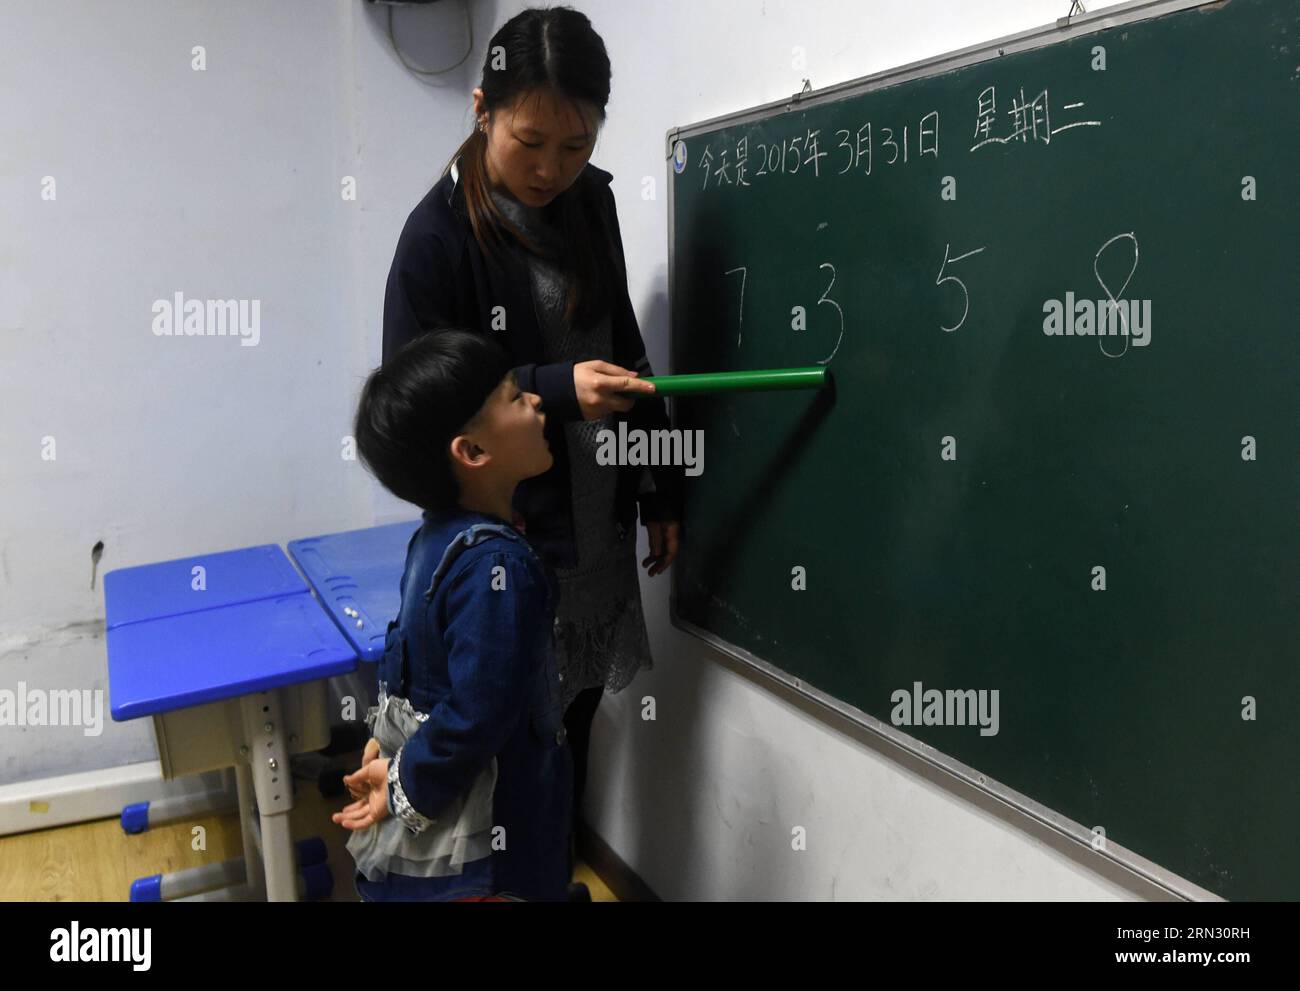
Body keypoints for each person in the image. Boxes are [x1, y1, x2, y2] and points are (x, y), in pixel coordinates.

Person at [381, 6, 685, 887]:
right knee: (501, 745)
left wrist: (662, 485)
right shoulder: (434, 238)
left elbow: (623, 346)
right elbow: (419, 408)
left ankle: (547, 874)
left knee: (566, 735)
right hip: (508, 541)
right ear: (481, 110)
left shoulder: (590, 203)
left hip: (593, 518)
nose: (553, 168)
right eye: (530, 140)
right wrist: (554, 389)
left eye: (576, 145)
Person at [336, 328, 571, 902]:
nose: (537, 399)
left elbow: (411, 669)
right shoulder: (498, 569)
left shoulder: (435, 540)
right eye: (515, 395)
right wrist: (402, 782)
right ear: (471, 452)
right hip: (489, 847)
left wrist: (390, 754)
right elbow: (476, 711)